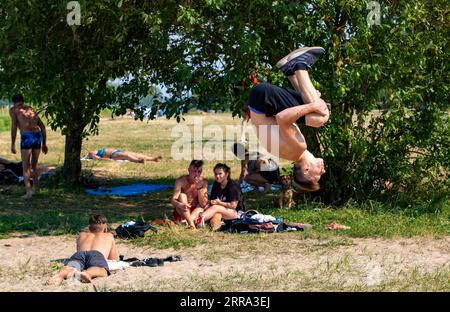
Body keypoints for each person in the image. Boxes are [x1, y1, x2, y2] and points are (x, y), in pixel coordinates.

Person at [248, 46, 330, 192]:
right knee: (315, 114)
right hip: (261, 104)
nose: (322, 172)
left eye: (318, 176)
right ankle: (290, 71)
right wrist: (312, 102)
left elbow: (282, 117)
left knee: (321, 115)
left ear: (306, 170)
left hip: (263, 99)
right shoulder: (292, 153)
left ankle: (300, 65)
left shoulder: (298, 148)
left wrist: (313, 105)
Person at [46, 214, 117, 285]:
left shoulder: (81, 235)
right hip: (96, 254)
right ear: (105, 228)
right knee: (102, 269)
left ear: (89, 227)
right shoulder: (109, 236)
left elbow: (79, 250)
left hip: (80, 254)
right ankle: (87, 273)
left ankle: (60, 275)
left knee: (71, 266)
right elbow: (112, 259)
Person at [9, 94, 48, 197]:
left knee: (25, 166)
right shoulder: (31, 109)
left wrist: (12, 144)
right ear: (23, 100)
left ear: (13, 102)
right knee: (34, 165)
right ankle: (35, 189)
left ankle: (28, 192)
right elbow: (42, 127)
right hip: (37, 136)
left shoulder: (14, 110)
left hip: (27, 137)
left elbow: (14, 127)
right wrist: (44, 143)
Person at [196, 163, 244, 231]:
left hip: (236, 213)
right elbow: (213, 200)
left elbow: (233, 206)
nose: (217, 176)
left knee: (216, 208)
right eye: (215, 174)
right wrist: (210, 202)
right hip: (222, 210)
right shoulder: (216, 184)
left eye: (220, 173)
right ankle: (214, 226)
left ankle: (199, 220)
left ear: (227, 174)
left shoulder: (232, 186)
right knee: (215, 213)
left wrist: (219, 203)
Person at [171, 160, 209, 228]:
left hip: (195, 212)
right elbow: (173, 200)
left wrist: (199, 188)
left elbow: (203, 204)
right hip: (182, 210)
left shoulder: (204, 182)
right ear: (188, 170)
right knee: (182, 196)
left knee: (200, 207)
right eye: (194, 171)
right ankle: (191, 223)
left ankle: (189, 222)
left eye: (199, 172)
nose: (196, 174)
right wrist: (180, 204)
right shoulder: (181, 181)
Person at [234, 68, 261, 142]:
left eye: (255, 72)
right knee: (246, 118)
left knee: (248, 119)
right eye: (253, 72)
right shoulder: (247, 80)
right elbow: (238, 87)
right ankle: (242, 137)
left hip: (254, 102)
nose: (254, 73)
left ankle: (243, 136)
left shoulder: (256, 79)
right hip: (248, 102)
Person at [86, 147, 162, 163]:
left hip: (117, 151)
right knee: (127, 156)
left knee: (136, 154)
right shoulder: (91, 153)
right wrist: (109, 160)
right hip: (113, 155)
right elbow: (98, 159)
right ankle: (139, 161)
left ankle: (153, 159)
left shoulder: (97, 151)